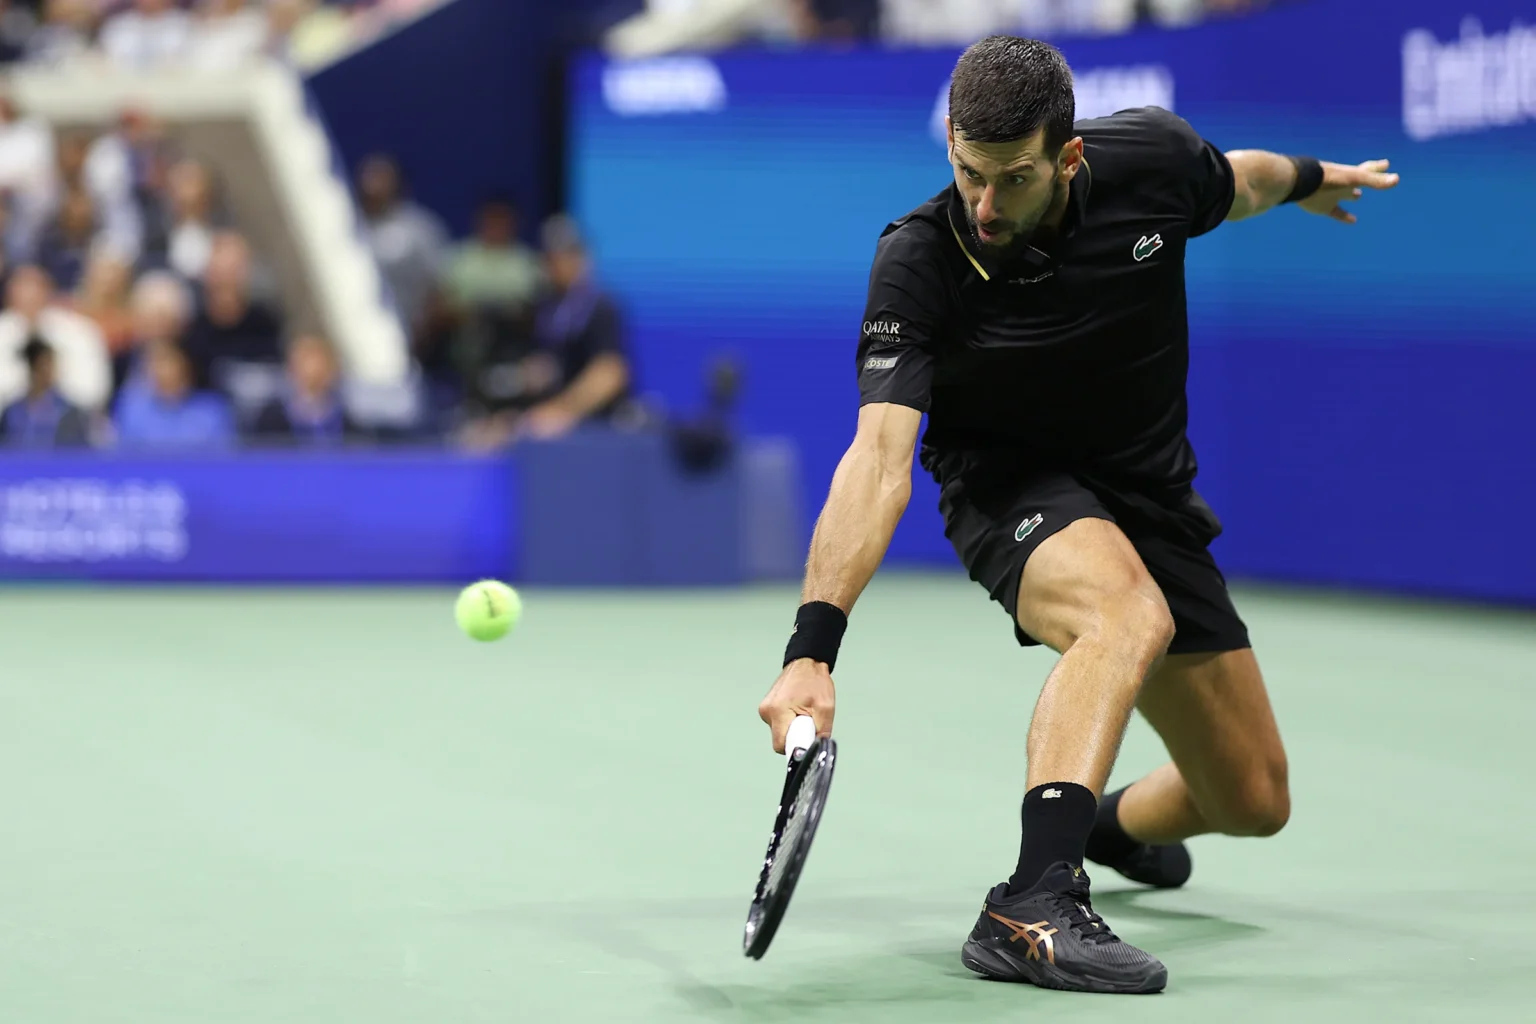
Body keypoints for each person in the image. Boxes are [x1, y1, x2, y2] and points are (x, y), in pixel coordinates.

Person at [755, 36, 1398, 995]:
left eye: (1011, 179)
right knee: (1121, 614)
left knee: (1254, 797)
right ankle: (1032, 898)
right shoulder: (918, 260)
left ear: (1069, 158)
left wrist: (1307, 177)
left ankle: (1100, 818)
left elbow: (1241, 182)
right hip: (1011, 490)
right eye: (967, 171)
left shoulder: (1153, 163)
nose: (983, 204)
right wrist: (813, 646)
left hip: (1150, 495)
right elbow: (879, 461)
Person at [249, 333, 362, 445]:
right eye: (304, 361)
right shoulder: (271, 420)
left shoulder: (349, 421)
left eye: (320, 363)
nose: (312, 370)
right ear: (291, 369)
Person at [0, 337, 91, 448]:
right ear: (32, 368)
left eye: (51, 364)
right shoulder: (11, 412)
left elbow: (79, 453)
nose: (50, 370)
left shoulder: (69, 412)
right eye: (43, 365)